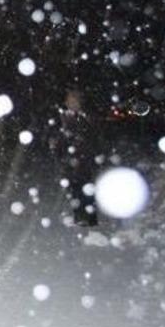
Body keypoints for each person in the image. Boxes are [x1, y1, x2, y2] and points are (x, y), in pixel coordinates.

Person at [59, 87, 99, 226]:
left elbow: (92, 137)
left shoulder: (85, 117)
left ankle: (90, 220)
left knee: (86, 190)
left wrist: (79, 142)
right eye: (69, 100)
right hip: (70, 161)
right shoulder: (63, 117)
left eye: (74, 100)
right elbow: (60, 138)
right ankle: (79, 217)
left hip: (83, 160)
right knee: (75, 190)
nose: (71, 102)